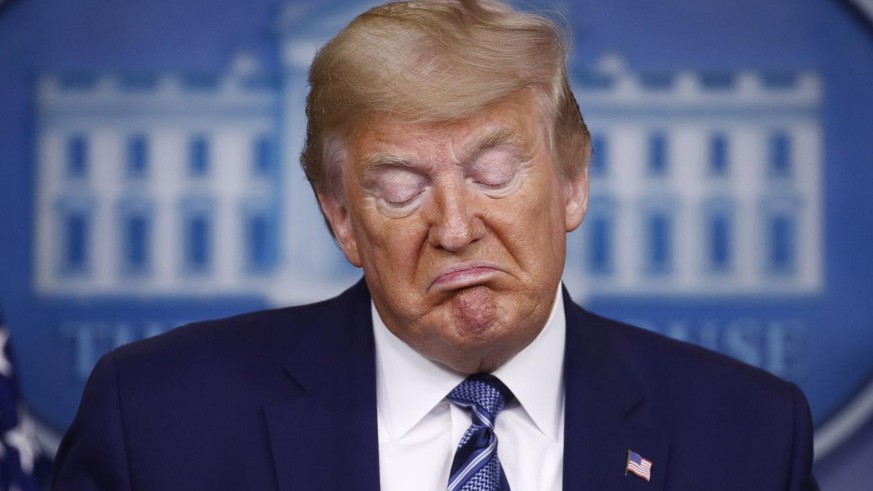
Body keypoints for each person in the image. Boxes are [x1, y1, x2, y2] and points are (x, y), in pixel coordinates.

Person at [51, 0, 819, 489]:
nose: (454, 227)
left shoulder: (749, 435)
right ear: (340, 217)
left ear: (574, 183)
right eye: (399, 187)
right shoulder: (155, 420)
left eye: (493, 173)